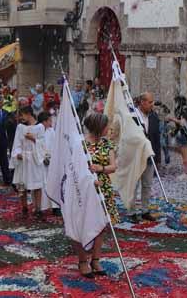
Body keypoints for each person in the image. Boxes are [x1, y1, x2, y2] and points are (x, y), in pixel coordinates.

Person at [78, 112, 118, 278]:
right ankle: (82, 261)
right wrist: (88, 175)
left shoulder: (107, 144)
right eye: (106, 126)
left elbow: (113, 166)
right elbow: (75, 166)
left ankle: (95, 259)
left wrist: (100, 169)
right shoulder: (81, 144)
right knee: (84, 224)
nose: (108, 129)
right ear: (98, 127)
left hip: (103, 188)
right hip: (85, 189)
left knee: (101, 225)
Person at [127, 92, 161, 222]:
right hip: (135, 156)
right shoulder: (132, 116)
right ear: (142, 102)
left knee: (147, 184)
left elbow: (157, 137)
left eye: (152, 102)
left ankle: (145, 210)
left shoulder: (153, 116)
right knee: (134, 185)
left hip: (149, 155)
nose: (152, 105)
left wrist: (158, 158)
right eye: (150, 102)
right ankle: (132, 212)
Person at [11, 106, 46, 217]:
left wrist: (34, 139)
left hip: (34, 159)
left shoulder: (40, 127)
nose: (21, 117)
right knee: (22, 185)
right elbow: (16, 143)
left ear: (29, 114)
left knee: (37, 185)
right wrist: (18, 153)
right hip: (23, 160)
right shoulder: (20, 127)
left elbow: (43, 144)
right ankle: (24, 208)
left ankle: (38, 209)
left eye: (22, 115)